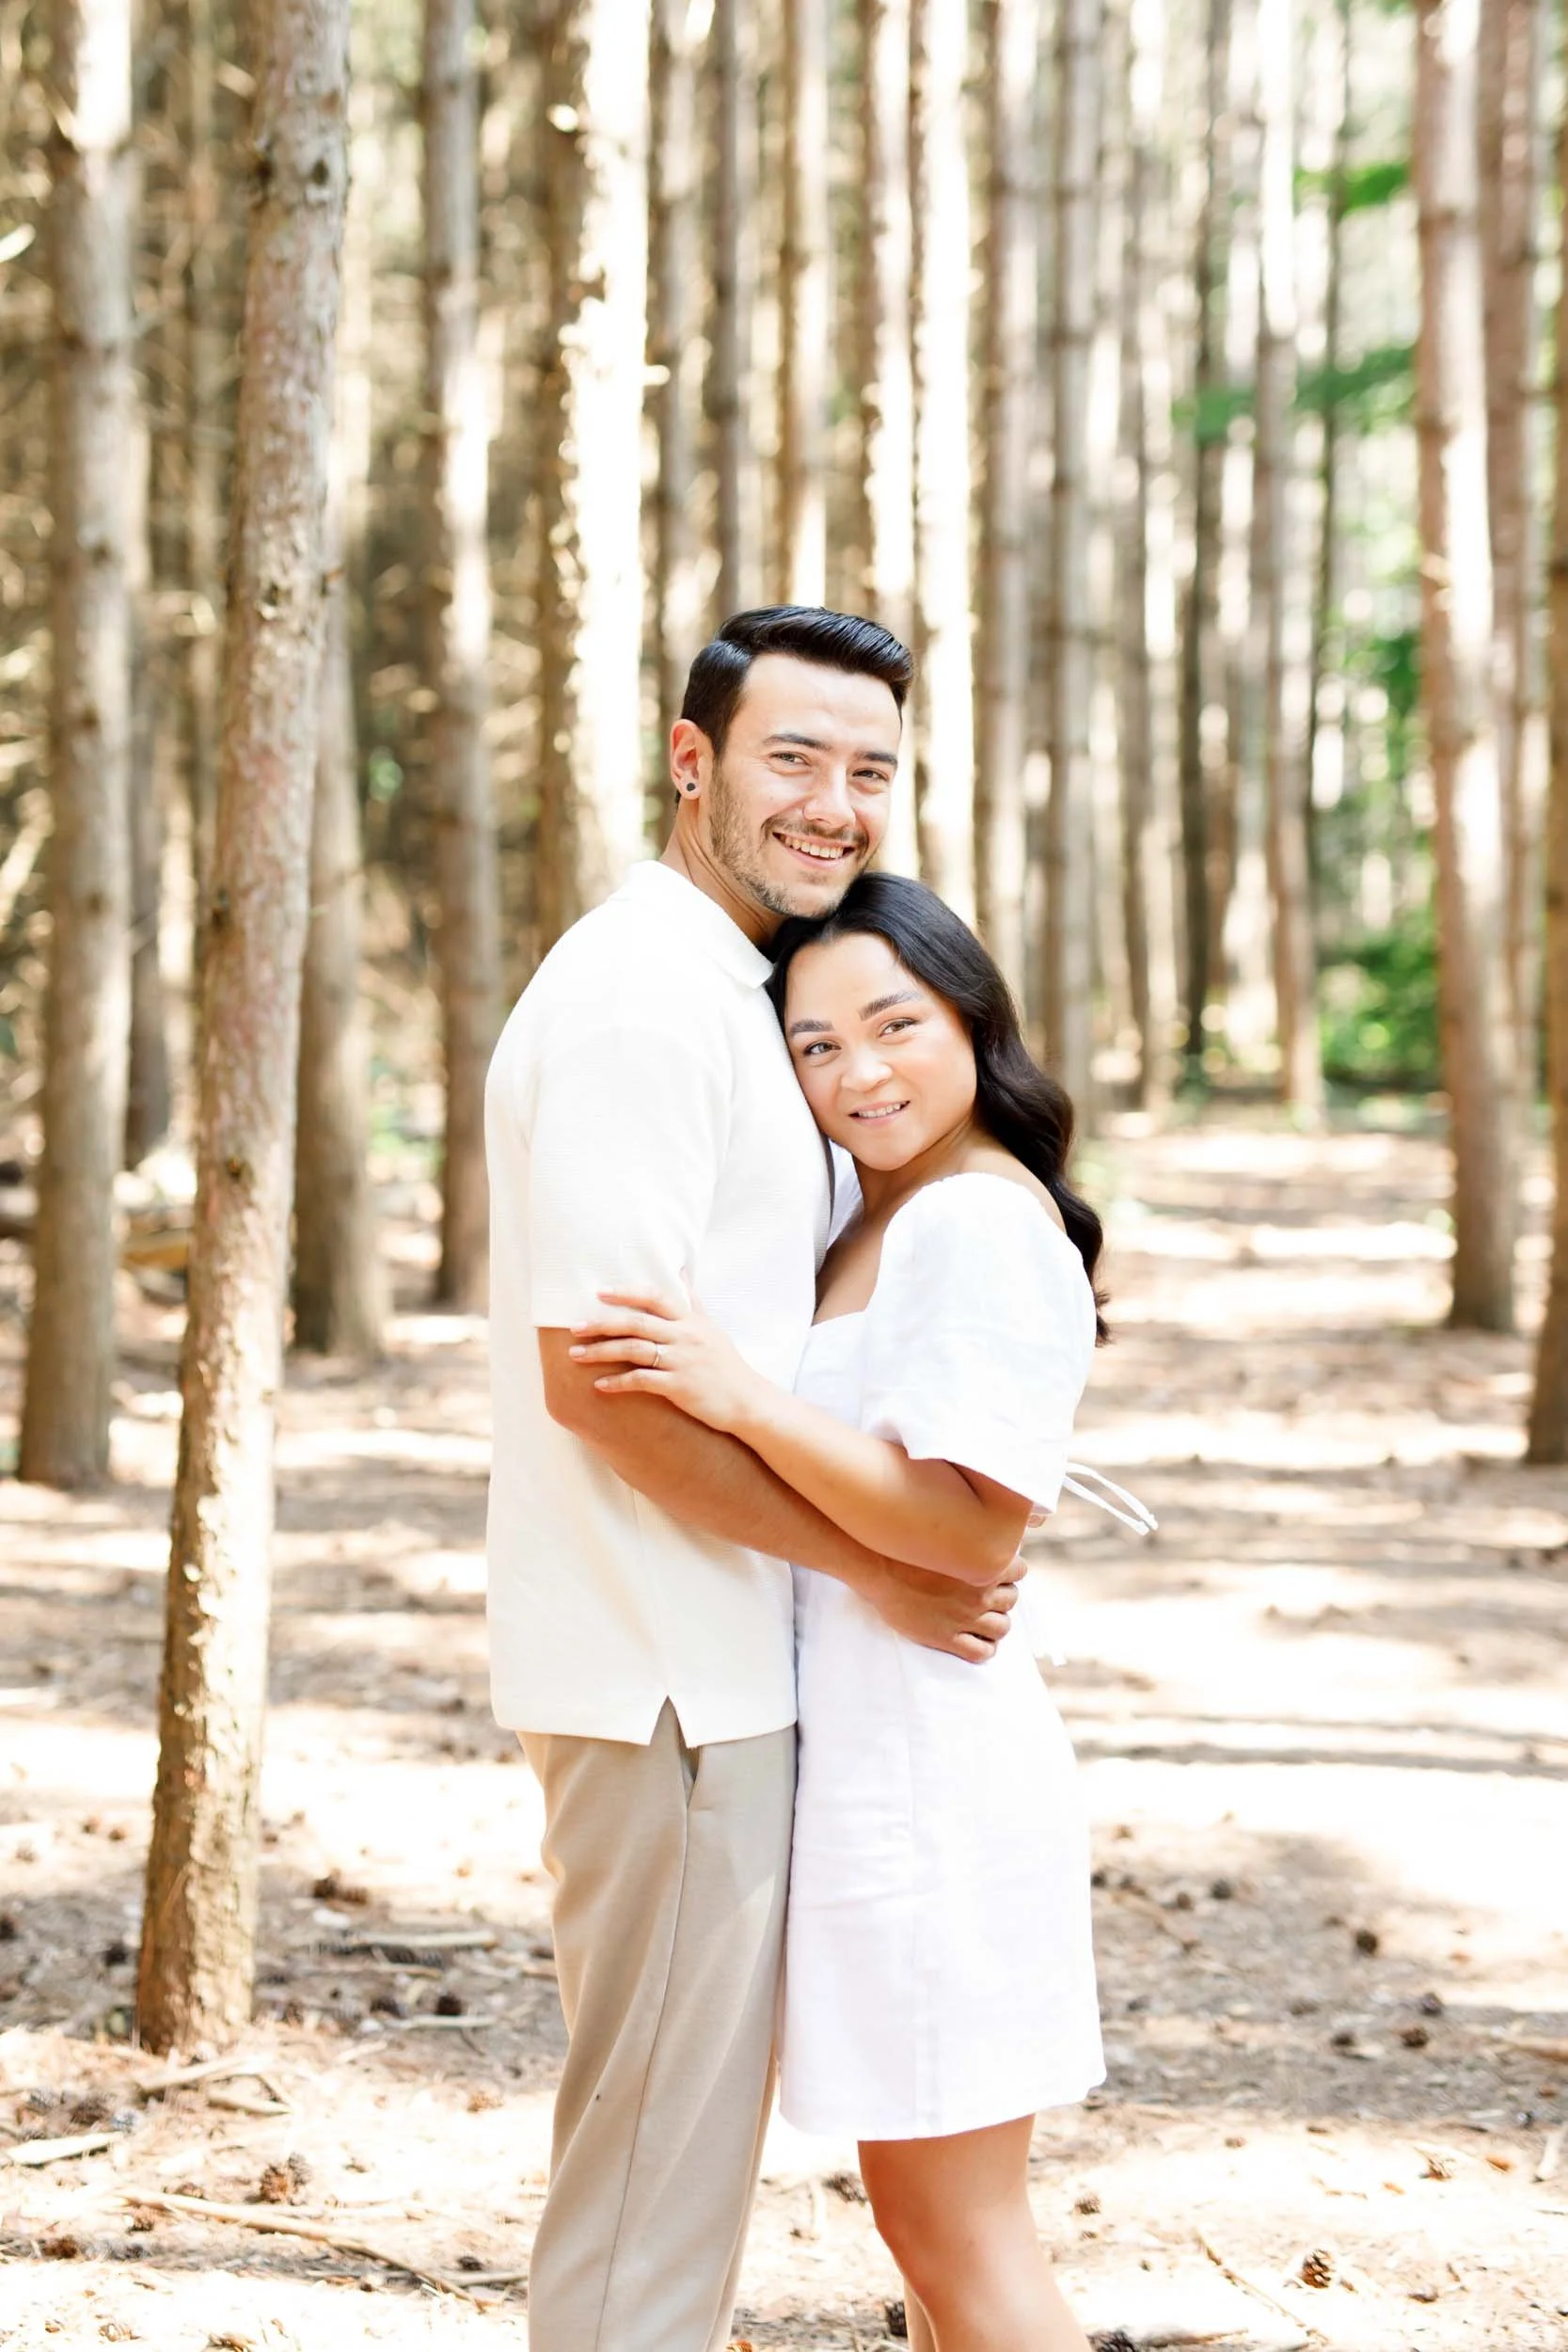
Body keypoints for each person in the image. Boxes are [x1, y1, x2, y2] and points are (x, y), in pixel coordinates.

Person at [484, 609, 1021, 2352]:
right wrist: (873, 1566)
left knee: (670, 2179)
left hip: (709, 1672)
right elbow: (606, 1392)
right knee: (649, 2205)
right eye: (793, 757)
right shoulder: (646, 999)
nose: (833, 804)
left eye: (868, 769)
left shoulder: (733, 987)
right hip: (667, 1677)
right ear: (691, 758)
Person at [570, 870, 1117, 2352]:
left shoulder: (978, 1224)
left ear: (972, 1018)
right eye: (815, 1046)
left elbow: (966, 1526)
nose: (858, 1072)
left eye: (895, 1024)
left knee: (961, 2235)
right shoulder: (877, 1218)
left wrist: (738, 1396)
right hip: (875, 1758)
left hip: (935, 1773)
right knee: (925, 2236)